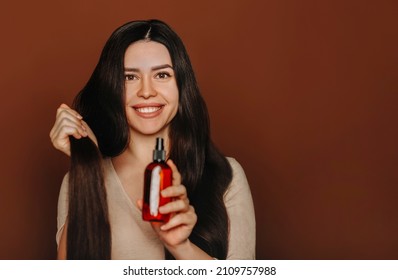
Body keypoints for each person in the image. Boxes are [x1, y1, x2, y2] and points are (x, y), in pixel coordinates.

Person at [49, 19, 255, 260]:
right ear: (112, 88)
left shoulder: (226, 176)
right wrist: (88, 166)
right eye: (129, 78)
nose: (146, 91)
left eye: (162, 74)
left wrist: (181, 247)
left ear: (181, 85)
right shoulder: (78, 179)